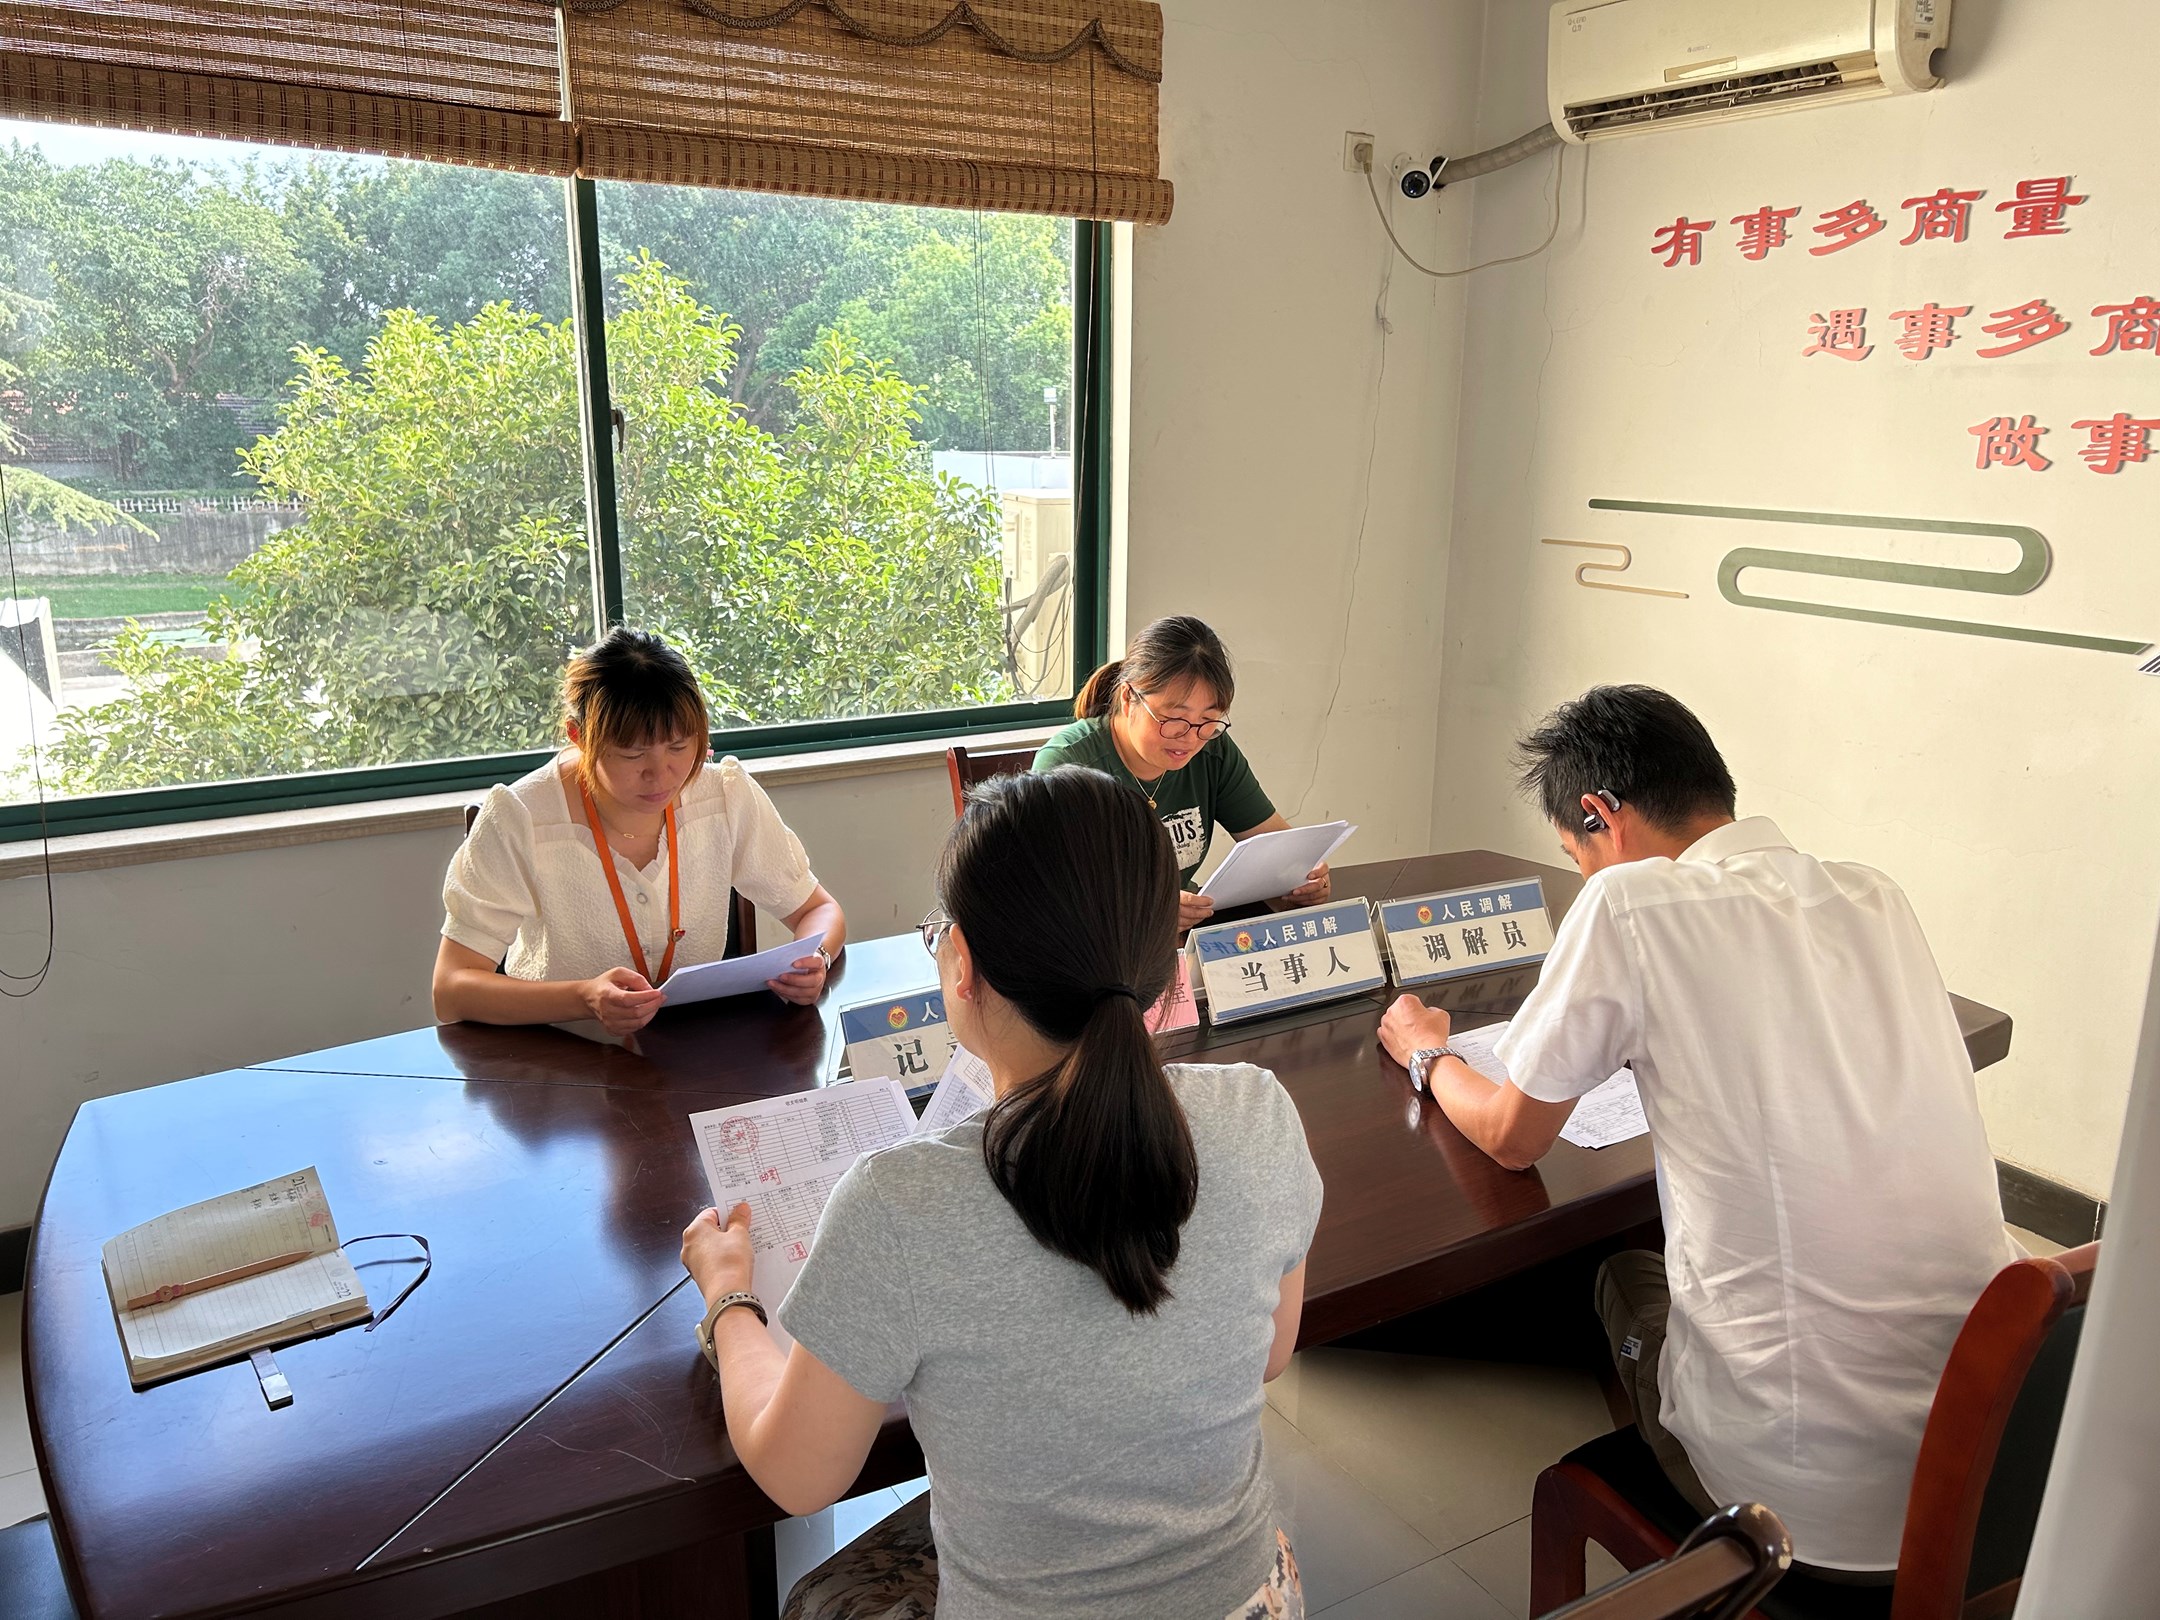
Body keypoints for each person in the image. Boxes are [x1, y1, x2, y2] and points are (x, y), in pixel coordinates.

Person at [1377, 685, 2017, 1579]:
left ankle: (1688, 1547)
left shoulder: (1629, 903)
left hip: (1805, 1510)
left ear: (1601, 815)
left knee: (1623, 1275)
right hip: (1994, 1457)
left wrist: (1424, 1051)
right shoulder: (1875, 893)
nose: (1586, 876)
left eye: (1577, 853)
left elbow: (1512, 1137)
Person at [680, 767, 1324, 1620]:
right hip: (1253, 1600)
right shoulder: (1257, 1110)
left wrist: (729, 1299)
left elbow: (797, 1476)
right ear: (1163, 955)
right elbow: (1272, 1352)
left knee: (819, 1599)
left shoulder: (899, 1202)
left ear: (964, 964)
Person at [433, 628, 845, 1035]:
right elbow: (451, 989)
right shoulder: (520, 817)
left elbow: (818, 910)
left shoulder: (724, 795)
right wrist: (584, 998)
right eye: (632, 754)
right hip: (558, 1054)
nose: (661, 774)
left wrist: (817, 960)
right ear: (578, 737)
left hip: (692, 1048)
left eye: (679, 747)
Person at [1033, 615, 1329, 931]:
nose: (1190, 738)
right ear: (1129, 698)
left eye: (1208, 720)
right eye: (1175, 718)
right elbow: (1048, 898)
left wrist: (1304, 878)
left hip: (1183, 938)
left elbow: (1276, 847)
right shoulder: (1067, 765)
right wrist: (1144, 912)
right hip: (1097, 946)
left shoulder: (1212, 750)